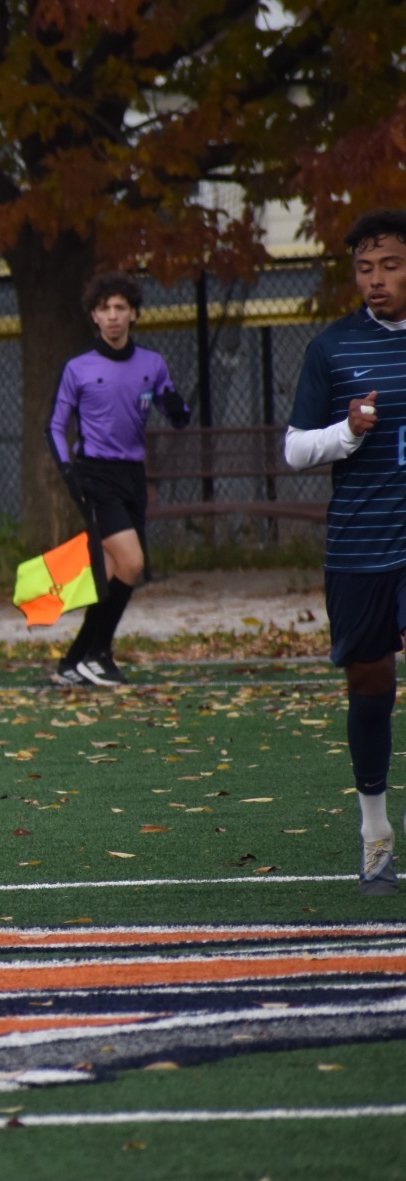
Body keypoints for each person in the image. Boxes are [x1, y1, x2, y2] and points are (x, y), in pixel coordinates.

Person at [283, 208, 406, 896]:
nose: (376, 279)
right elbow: (296, 448)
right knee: (370, 687)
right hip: (359, 546)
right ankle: (375, 838)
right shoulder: (333, 349)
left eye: (390, 264)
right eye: (365, 267)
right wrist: (348, 430)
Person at [48, 272, 192, 688]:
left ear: (133, 314)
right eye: (105, 309)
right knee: (132, 563)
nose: (113, 316)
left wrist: (175, 406)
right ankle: (99, 654)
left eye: (120, 308)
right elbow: (55, 427)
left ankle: (73, 662)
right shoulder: (77, 368)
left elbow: (178, 416)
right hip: (95, 475)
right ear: (94, 316)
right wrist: (69, 474)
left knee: (115, 572)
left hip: (133, 476)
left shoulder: (152, 363)